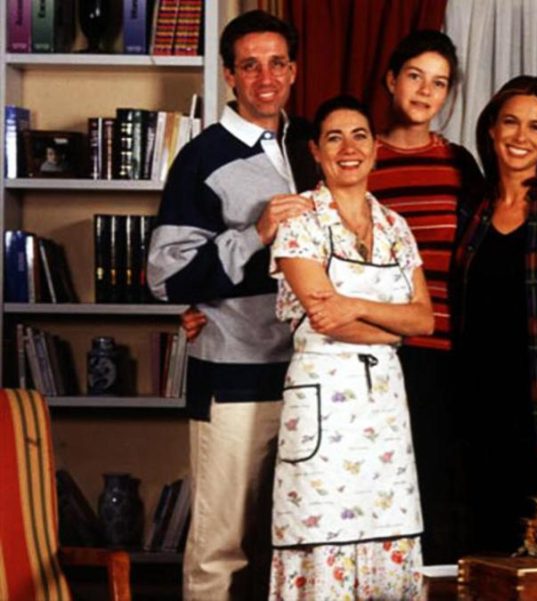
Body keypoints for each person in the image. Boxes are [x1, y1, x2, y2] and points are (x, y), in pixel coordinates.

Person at [146, 10, 317, 599]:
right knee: (219, 549)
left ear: (293, 70)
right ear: (229, 75)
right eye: (250, 66)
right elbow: (166, 276)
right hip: (233, 378)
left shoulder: (315, 144)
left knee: (294, 544)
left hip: (311, 376)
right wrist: (257, 232)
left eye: (277, 63)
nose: (265, 78)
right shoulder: (201, 158)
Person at [267, 93, 433, 599]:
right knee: (322, 535)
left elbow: (424, 319)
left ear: (376, 148)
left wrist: (355, 306)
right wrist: (393, 330)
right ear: (315, 152)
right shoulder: (301, 221)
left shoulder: (396, 228)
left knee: (390, 530)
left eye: (359, 136)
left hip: (384, 409)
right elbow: (324, 317)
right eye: (334, 138)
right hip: (324, 408)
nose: (348, 148)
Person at [368, 30, 484, 563]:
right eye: (415, 76)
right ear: (392, 79)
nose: (424, 91)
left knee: (438, 485)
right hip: (374, 349)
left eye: (438, 83)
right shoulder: (360, 155)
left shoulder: (459, 164)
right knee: (376, 481)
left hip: (443, 351)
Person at [453, 75, 537, 554]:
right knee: (480, 542)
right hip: (474, 399)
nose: (520, 136)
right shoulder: (473, 206)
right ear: (491, 129)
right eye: (510, 122)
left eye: (535, 127)